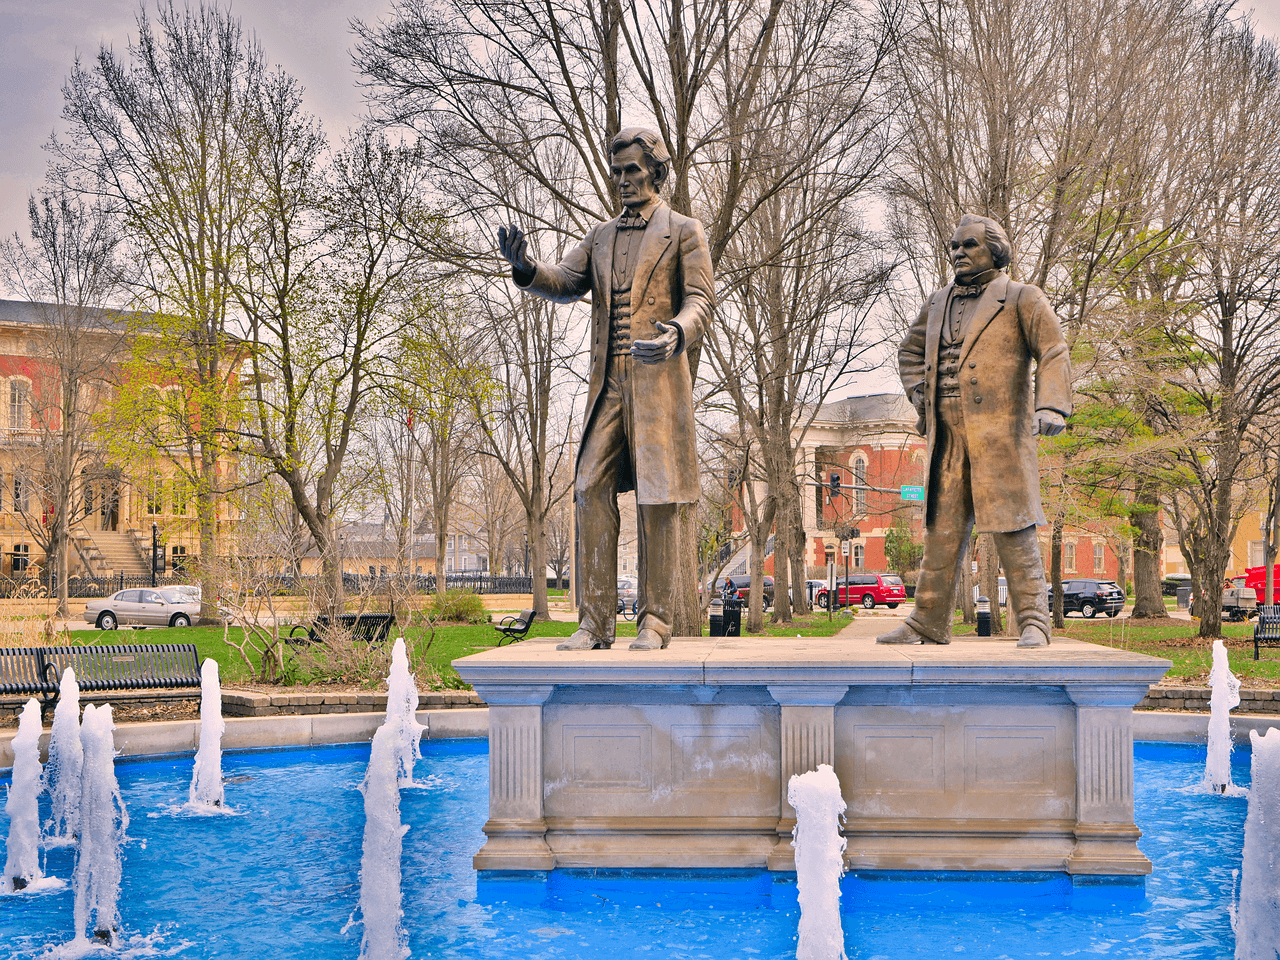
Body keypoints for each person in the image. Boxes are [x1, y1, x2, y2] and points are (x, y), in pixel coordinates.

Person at [498, 127, 714, 651]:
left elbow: (702, 300)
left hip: (657, 385)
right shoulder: (600, 236)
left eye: (633, 170)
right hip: (609, 385)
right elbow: (567, 282)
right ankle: (594, 622)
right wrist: (526, 267)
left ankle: (656, 619)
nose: (623, 181)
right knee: (589, 485)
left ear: (656, 171)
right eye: (616, 172)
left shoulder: (684, 230)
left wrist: (679, 333)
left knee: (655, 499)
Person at [877, 214, 1071, 649]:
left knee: (1013, 526)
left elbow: (1054, 350)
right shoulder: (938, 301)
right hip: (945, 434)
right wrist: (918, 393)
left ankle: (1035, 622)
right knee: (941, 531)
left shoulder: (1022, 298)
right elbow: (909, 351)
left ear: (994, 251)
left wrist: (1052, 405)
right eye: (954, 247)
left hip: (1000, 435)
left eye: (969, 246)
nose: (959, 253)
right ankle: (927, 620)